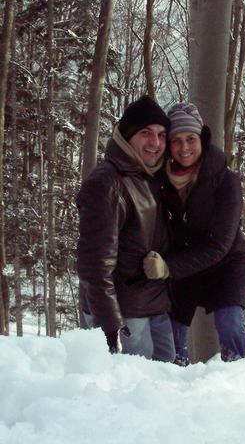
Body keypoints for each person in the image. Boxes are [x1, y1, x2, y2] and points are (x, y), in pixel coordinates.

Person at [143, 103, 245, 364]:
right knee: (173, 333)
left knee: (230, 324)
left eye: (191, 139)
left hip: (226, 263)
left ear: (202, 138)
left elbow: (220, 245)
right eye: (176, 141)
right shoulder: (159, 181)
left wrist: (169, 267)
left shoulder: (227, 181)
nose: (184, 148)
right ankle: (172, 380)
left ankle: (237, 379)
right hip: (183, 268)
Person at [77, 95, 175, 362]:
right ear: (127, 135)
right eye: (146, 133)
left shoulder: (150, 177)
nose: (155, 143)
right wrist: (110, 326)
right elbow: (94, 265)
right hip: (125, 315)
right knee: (132, 397)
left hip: (155, 308)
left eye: (161, 134)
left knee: (166, 390)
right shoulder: (107, 183)